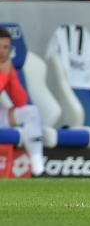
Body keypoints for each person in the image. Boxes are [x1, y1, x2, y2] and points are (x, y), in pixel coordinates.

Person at [0, 28, 45, 177]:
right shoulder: (4, 70)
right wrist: (5, 74)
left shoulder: (5, 66)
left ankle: (38, 169)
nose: (2, 51)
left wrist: (10, 75)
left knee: (30, 112)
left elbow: (21, 101)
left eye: (6, 47)